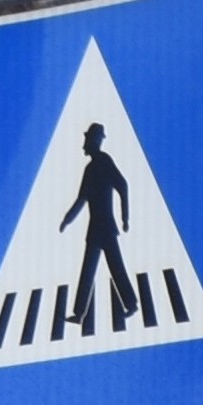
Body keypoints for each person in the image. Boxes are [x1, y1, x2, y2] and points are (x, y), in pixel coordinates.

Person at [60, 122, 140, 335]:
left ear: (95, 141)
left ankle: (131, 305)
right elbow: (82, 199)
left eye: (88, 139)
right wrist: (67, 220)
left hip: (106, 227)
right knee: (88, 270)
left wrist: (125, 217)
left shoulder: (104, 162)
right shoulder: (89, 169)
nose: (84, 144)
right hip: (95, 228)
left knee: (116, 267)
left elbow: (122, 185)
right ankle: (79, 314)